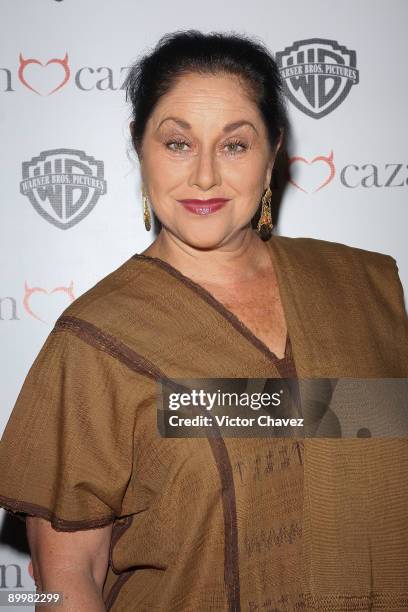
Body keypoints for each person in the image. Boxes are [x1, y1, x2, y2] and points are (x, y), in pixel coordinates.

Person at [0, 29, 407, 612]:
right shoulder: (98, 339)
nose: (206, 176)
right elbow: (66, 578)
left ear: (273, 154)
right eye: (178, 144)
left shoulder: (362, 290)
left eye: (235, 145)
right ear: (140, 150)